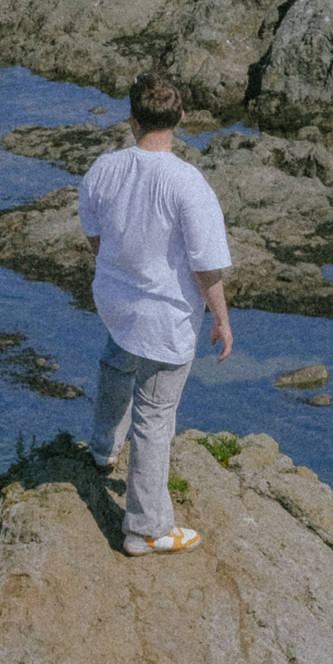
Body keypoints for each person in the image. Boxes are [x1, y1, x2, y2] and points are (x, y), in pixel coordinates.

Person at [80, 70, 233, 556]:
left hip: (115, 303)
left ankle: (103, 448)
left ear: (131, 118)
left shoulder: (103, 169)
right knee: (155, 417)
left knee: (117, 361)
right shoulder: (188, 183)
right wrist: (222, 321)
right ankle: (146, 529)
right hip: (164, 318)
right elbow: (207, 265)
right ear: (181, 118)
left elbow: (94, 235)